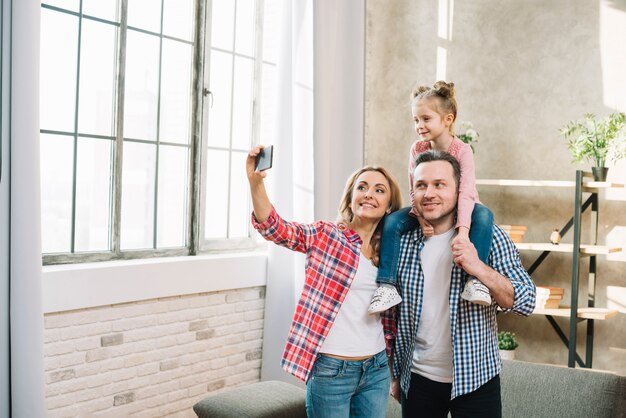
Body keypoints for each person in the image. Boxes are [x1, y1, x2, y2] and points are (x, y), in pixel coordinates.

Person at [246, 145, 403, 418]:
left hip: (376, 367)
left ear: (389, 204)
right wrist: (255, 182)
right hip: (331, 369)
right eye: (362, 187)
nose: (369, 194)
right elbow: (274, 228)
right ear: (351, 197)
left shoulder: (392, 251)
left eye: (379, 190)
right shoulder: (326, 235)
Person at [382, 150, 536, 417]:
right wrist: (395, 374)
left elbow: (526, 300)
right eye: (421, 185)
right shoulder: (401, 241)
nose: (429, 193)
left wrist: (478, 266)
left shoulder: (489, 235)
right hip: (416, 380)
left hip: (476, 379)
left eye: (439, 184)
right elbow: (390, 316)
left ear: (459, 190)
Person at [369, 81, 495, 314]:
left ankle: (475, 280)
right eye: (416, 120)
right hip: (427, 207)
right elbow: (413, 187)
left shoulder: (462, 151)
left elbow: (466, 192)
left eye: (426, 119)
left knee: (485, 215)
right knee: (393, 221)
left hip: (463, 206)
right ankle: (386, 285)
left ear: (448, 119)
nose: (419, 125)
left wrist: (463, 232)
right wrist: (419, 217)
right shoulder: (417, 149)